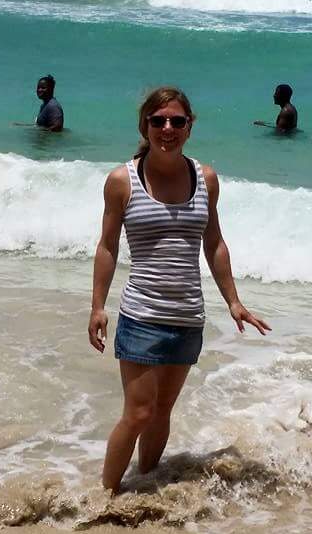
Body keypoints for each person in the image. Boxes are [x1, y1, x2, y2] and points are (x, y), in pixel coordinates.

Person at [88, 86, 271, 494]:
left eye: (176, 121)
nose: (167, 128)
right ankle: (105, 496)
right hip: (141, 315)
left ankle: (145, 484)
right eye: (158, 121)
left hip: (188, 316)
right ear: (145, 126)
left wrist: (234, 301)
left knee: (161, 412)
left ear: (189, 127)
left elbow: (214, 243)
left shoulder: (206, 179)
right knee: (138, 413)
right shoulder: (122, 181)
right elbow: (107, 247)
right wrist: (98, 306)